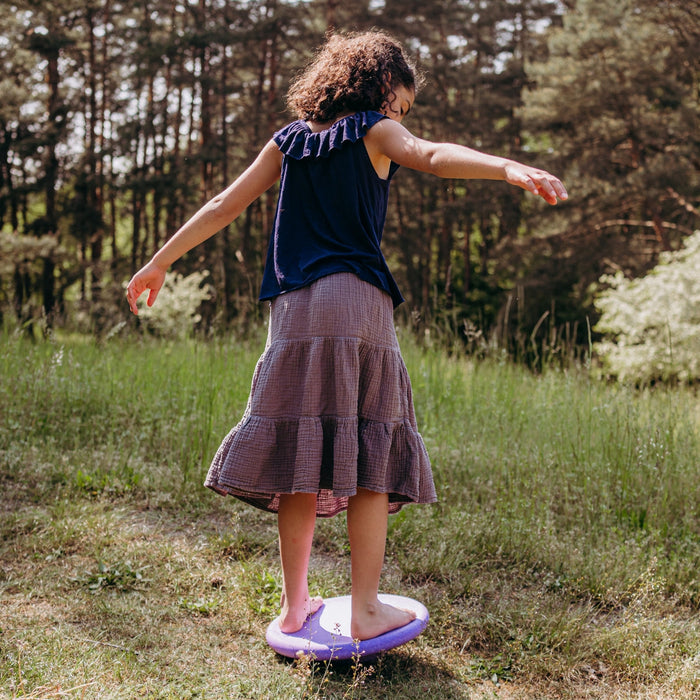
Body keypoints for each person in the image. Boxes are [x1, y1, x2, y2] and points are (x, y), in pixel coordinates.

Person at [126, 30, 567, 642]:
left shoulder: (288, 141)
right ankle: (363, 608)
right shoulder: (373, 129)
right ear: (382, 86)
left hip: (292, 309)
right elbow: (434, 157)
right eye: (401, 105)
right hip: (354, 301)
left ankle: (294, 604)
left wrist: (159, 260)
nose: (400, 118)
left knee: (302, 453)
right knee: (369, 455)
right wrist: (508, 168)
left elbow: (225, 204)